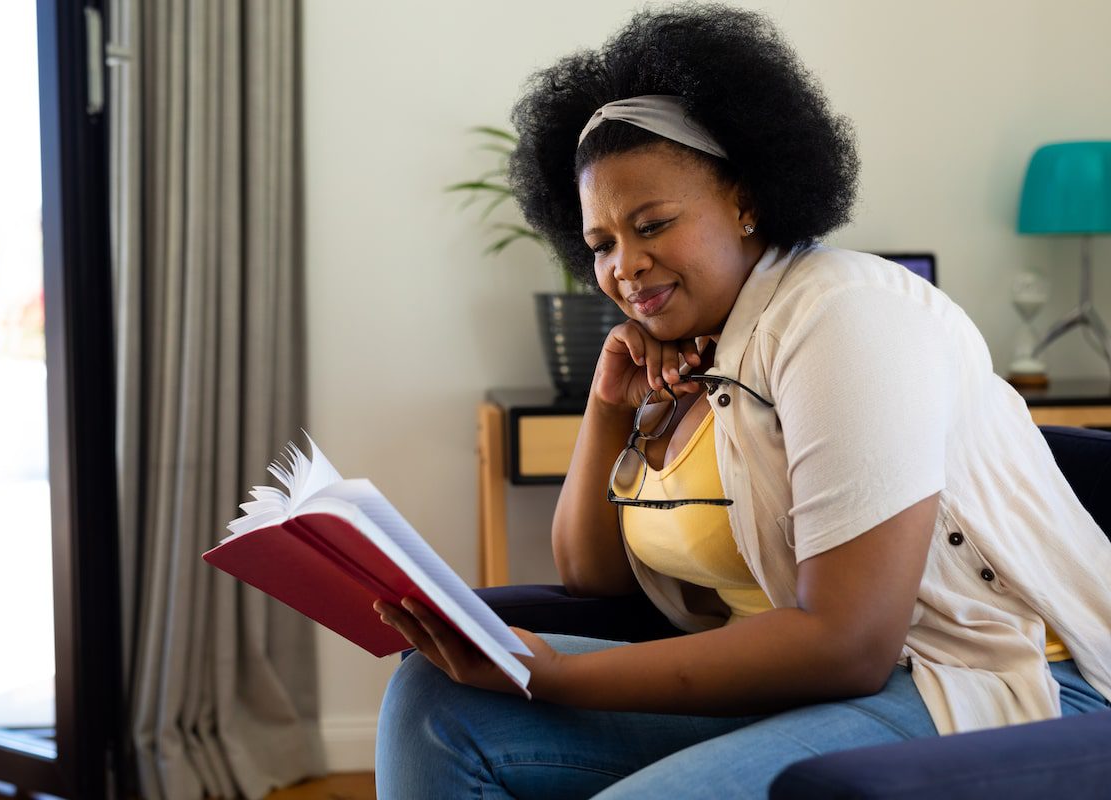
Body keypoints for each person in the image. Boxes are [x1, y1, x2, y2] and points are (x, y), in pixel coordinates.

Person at [373, 5, 1111, 797]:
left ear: (747, 199)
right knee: (432, 702)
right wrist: (608, 403)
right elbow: (593, 578)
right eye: (600, 244)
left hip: (977, 680)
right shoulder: (695, 352)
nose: (625, 265)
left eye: (652, 222)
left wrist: (552, 674)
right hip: (804, 686)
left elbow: (849, 643)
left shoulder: (846, 315)